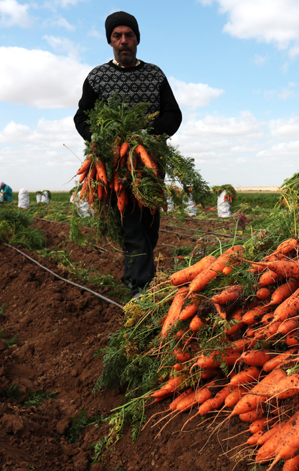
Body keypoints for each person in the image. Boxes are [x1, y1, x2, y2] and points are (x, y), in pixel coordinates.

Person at [74, 11, 182, 298]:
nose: (124, 41)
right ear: (110, 41)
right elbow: (81, 117)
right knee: (131, 223)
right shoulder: (97, 77)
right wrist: (97, 137)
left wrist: (153, 133)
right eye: (117, 36)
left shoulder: (155, 74)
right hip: (115, 166)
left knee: (150, 226)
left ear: (137, 39)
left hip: (150, 165)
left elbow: (173, 113)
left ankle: (133, 275)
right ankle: (141, 288)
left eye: (129, 35)